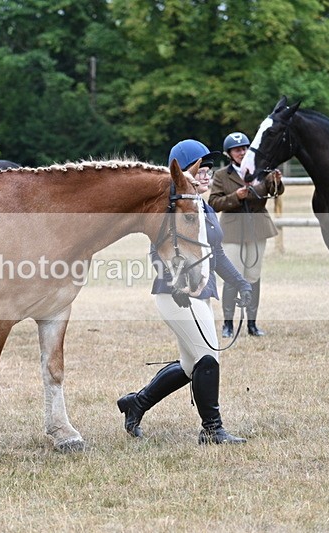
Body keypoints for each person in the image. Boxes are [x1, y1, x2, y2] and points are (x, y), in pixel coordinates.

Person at [116, 139, 252, 445]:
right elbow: (156, 252)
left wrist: (241, 283)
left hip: (201, 293)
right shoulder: (171, 207)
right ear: (182, 173)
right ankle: (212, 430)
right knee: (207, 358)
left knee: (192, 364)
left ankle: (136, 403)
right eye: (198, 169)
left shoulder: (203, 207)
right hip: (174, 294)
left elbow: (215, 255)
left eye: (208, 169)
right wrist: (176, 279)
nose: (206, 174)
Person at [209, 132, 284, 337]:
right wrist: (236, 196)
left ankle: (252, 323)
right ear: (229, 154)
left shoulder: (260, 171)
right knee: (234, 277)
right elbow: (214, 203)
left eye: (244, 148)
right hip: (233, 230)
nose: (241, 152)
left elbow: (276, 191)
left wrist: (276, 180)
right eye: (237, 150)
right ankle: (228, 324)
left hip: (257, 228)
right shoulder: (221, 176)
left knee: (253, 276)